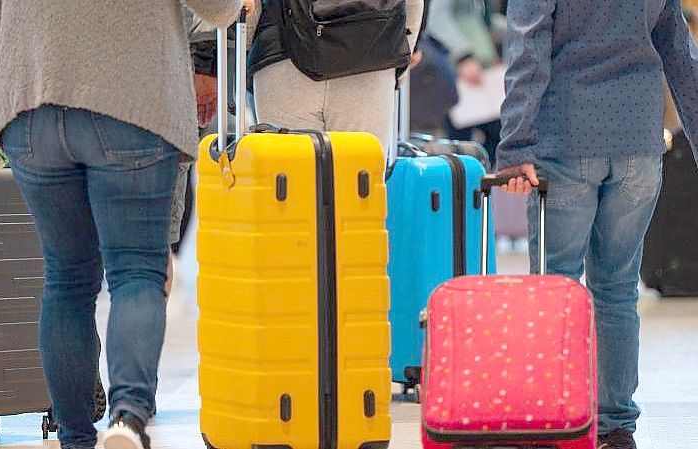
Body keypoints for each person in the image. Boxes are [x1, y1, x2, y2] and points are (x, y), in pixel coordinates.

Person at [0, 1, 251, 449]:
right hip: (130, 99)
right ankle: (127, 419)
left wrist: (9, 108)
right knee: (136, 272)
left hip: (31, 105)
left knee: (67, 279)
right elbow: (216, 8)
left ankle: (75, 436)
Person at [496, 1, 698, 448]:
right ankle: (615, 426)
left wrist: (514, 148)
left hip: (565, 139)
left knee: (557, 288)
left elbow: (527, 52)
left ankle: (559, 417)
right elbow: (681, 55)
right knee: (618, 288)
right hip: (639, 145)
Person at [249, 0, 424, 151]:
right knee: (359, 179)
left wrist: (239, 52)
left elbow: (245, 9)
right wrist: (400, 56)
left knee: (289, 177)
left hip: (283, 56)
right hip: (371, 56)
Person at [426, 0, 504, 166]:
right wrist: (463, 56)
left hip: (479, 68)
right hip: (459, 70)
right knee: (461, 146)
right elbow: (436, 17)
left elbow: (472, 17)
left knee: (493, 139)